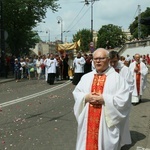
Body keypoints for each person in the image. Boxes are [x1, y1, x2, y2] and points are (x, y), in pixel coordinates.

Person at [73, 48, 131, 150]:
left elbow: (124, 99)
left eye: (101, 58)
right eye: (95, 59)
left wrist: (105, 99)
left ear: (108, 60)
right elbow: (77, 93)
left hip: (106, 123)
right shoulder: (86, 77)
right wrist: (86, 97)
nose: (98, 61)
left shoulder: (117, 79)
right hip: (88, 121)